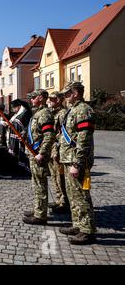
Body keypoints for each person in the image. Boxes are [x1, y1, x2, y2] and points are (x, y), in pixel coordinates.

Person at [59, 81, 96, 245]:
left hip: (77, 160)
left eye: (67, 93)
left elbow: (84, 139)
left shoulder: (83, 110)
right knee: (73, 196)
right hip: (69, 158)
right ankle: (77, 225)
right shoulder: (72, 110)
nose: (65, 97)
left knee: (81, 196)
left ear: (75, 93)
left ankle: (87, 231)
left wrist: (78, 163)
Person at [23, 90, 55, 225]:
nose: (31, 100)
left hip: (38, 154)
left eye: (33, 98)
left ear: (41, 98)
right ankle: (38, 209)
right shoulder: (38, 113)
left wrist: (42, 153)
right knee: (36, 184)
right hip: (33, 153)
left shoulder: (44, 114)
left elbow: (49, 135)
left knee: (40, 184)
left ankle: (40, 215)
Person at [47, 91, 69, 214]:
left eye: (52, 99)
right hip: (52, 149)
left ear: (59, 100)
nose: (49, 101)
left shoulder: (62, 113)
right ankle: (58, 199)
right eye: (49, 98)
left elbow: (63, 134)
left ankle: (64, 202)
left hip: (58, 150)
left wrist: (57, 148)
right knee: (54, 176)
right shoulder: (52, 113)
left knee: (60, 177)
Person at [7, 99, 32, 172]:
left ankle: (24, 169)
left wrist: (23, 133)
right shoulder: (16, 115)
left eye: (14, 107)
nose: (13, 109)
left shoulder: (25, 113)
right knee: (15, 153)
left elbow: (28, 125)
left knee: (22, 153)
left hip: (22, 137)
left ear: (19, 106)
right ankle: (17, 168)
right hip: (13, 137)